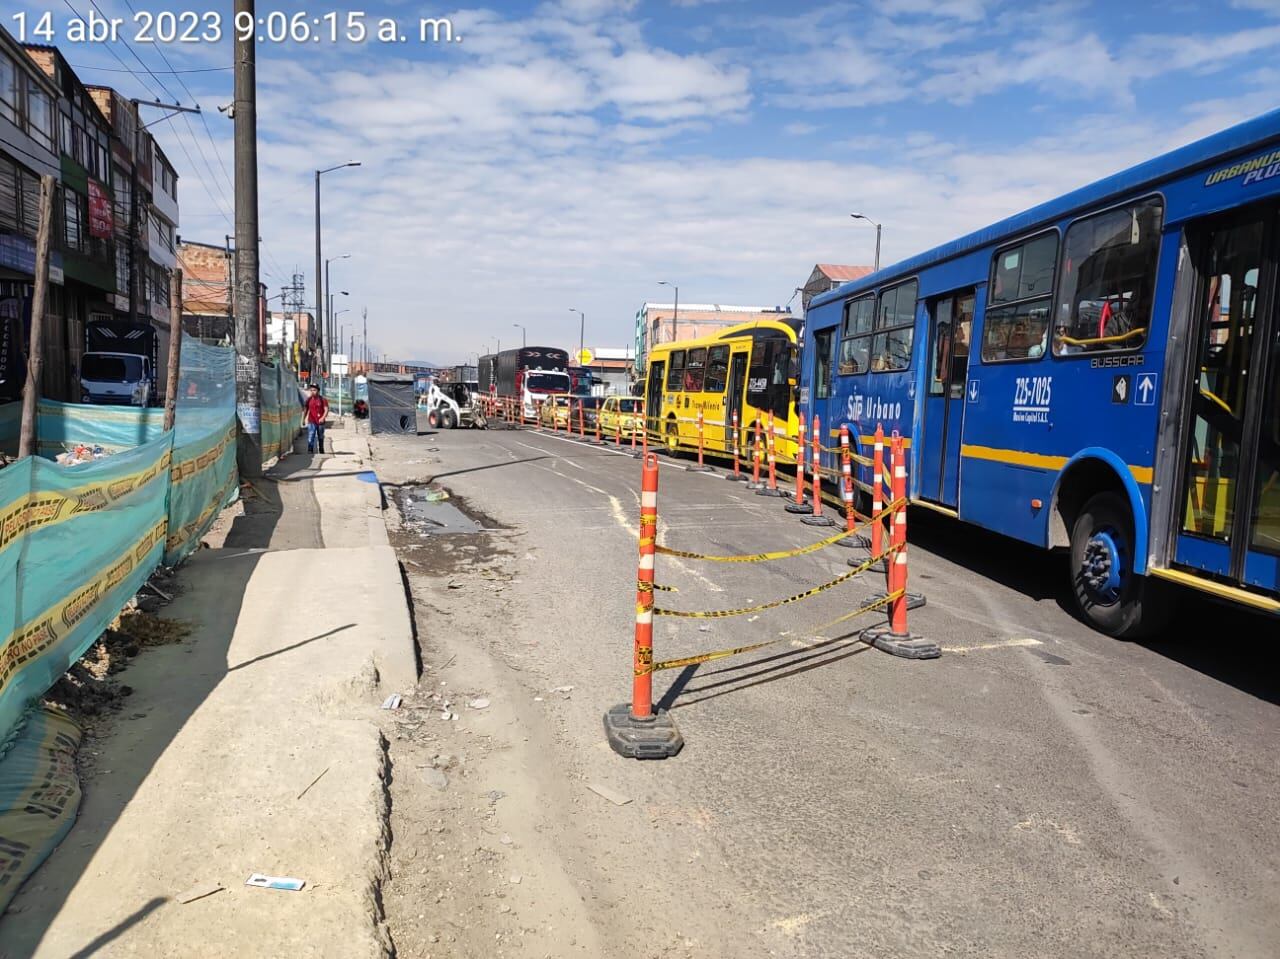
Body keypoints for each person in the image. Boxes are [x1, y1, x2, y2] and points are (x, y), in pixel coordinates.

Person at [303, 384, 329, 454]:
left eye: (314, 390)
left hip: (320, 422)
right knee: (311, 435)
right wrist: (303, 419)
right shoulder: (308, 400)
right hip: (311, 421)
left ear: (318, 391)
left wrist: (323, 417)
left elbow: (326, 409)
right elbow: (306, 410)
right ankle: (310, 450)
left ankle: (321, 449)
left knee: (320, 436)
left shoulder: (323, 400)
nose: (312, 391)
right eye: (311, 390)